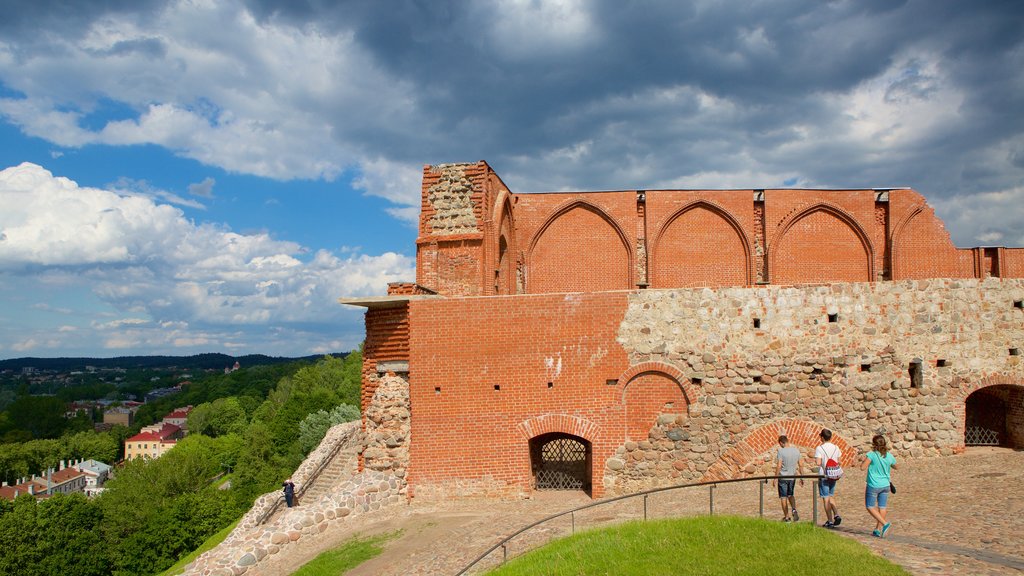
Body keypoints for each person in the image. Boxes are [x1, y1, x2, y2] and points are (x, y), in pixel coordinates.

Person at [860, 434, 897, 537]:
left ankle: (885, 524)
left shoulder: (871, 455)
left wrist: (863, 461)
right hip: (885, 485)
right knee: (882, 507)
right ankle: (877, 529)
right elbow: (896, 466)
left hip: (874, 484)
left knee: (870, 506)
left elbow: (863, 467)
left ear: (873, 444)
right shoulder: (889, 455)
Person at [815, 428, 842, 528]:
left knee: (825, 498)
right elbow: (839, 461)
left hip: (824, 474)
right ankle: (836, 514)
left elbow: (818, 463)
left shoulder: (819, 448)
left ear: (822, 437)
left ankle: (830, 520)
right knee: (831, 495)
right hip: (834, 474)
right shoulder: (836, 447)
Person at [773, 435, 804, 522]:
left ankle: (787, 517)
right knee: (791, 495)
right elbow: (801, 464)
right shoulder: (796, 450)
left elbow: (779, 465)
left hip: (783, 477)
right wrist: (802, 477)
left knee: (783, 497)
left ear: (781, 443)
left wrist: (775, 478)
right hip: (792, 477)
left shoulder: (781, 451)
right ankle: (794, 509)